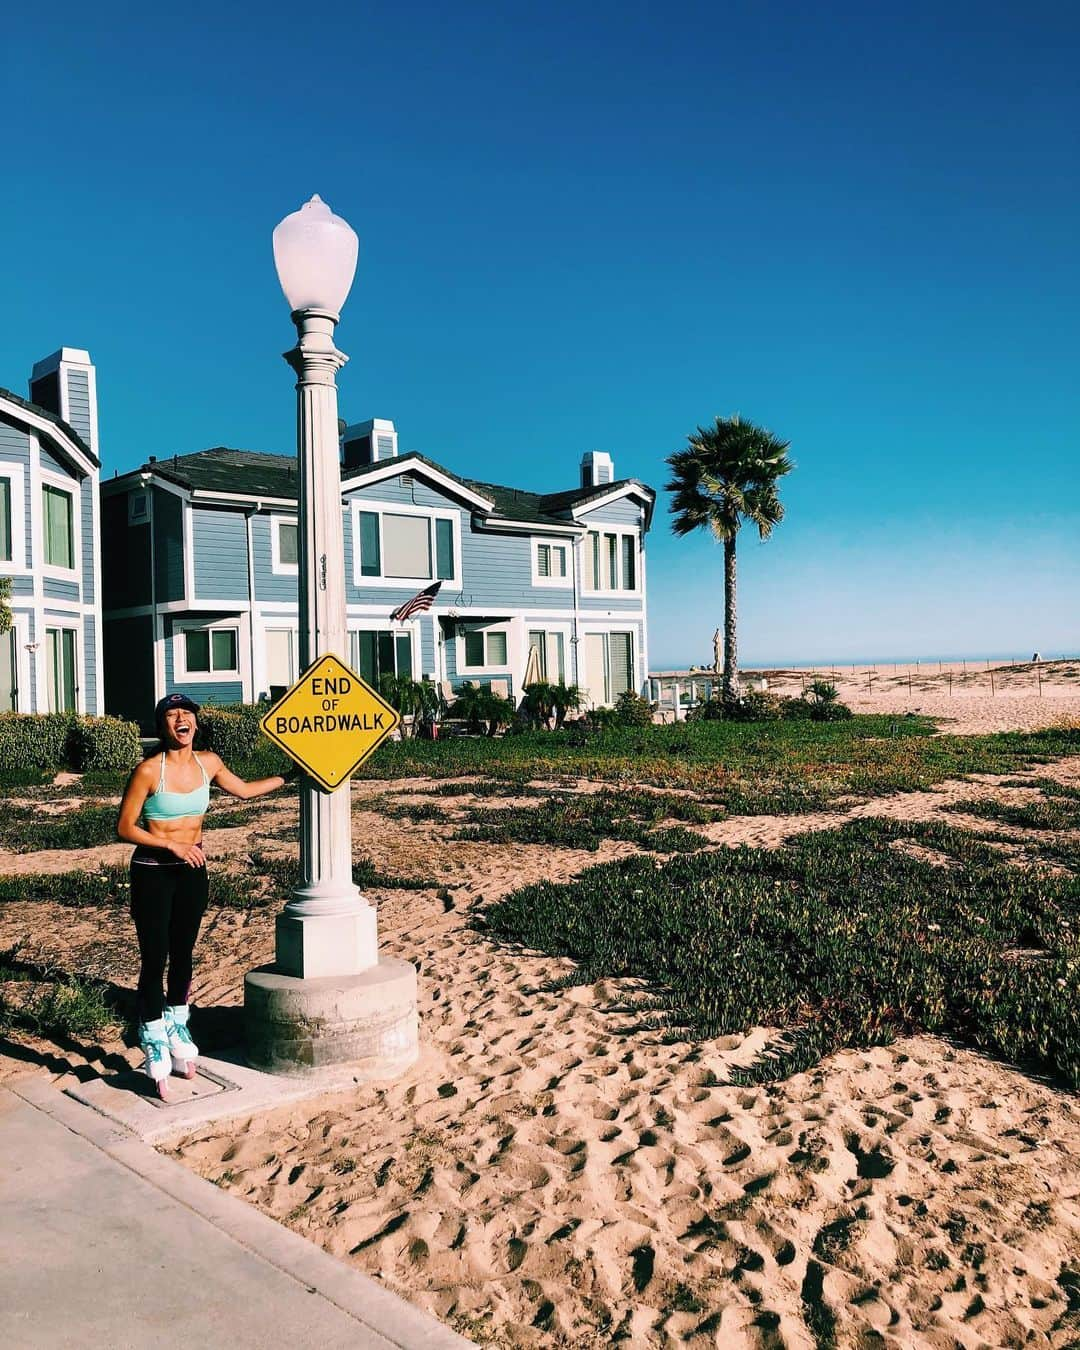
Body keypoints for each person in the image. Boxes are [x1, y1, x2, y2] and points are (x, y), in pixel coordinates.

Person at [116, 693, 287, 1097]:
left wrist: (291, 776)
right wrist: (169, 846)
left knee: (184, 953)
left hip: (192, 873)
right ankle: (153, 1033)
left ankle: (177, 1023)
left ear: (195, 723)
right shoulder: (147, 771)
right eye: (172, 715)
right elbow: (124, 827)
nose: (181, 720)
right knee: (154, 956)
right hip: (153, 872)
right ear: (162, 726)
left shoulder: (207, 763)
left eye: (187, 714)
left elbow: (243, 790)